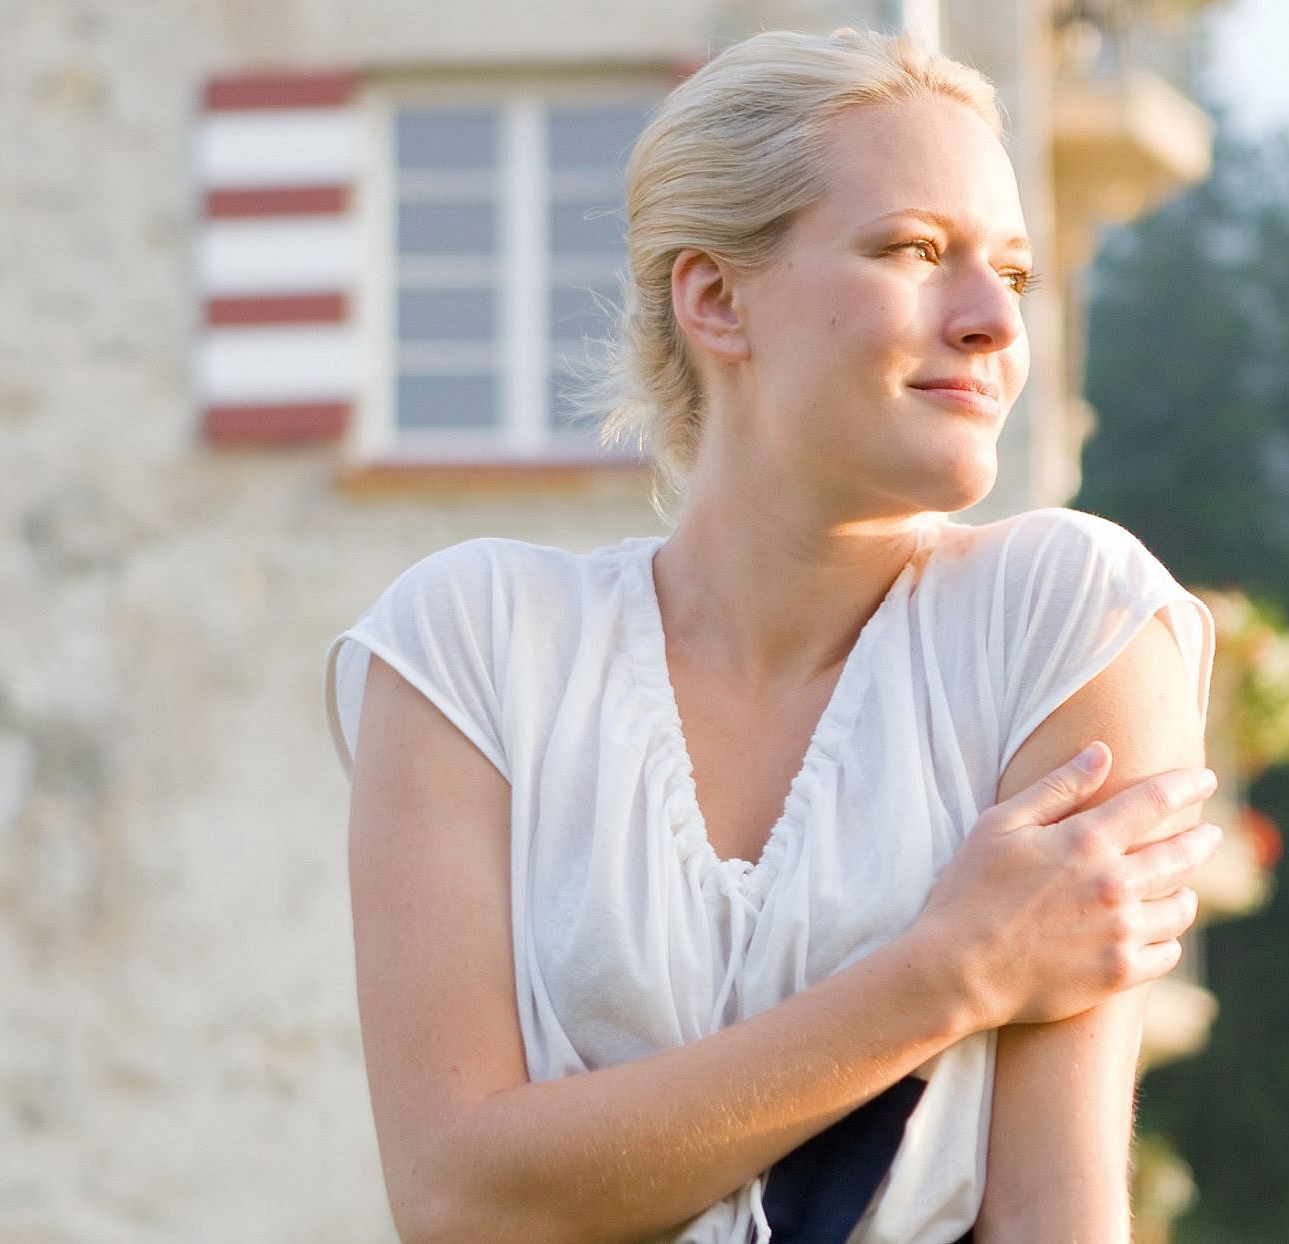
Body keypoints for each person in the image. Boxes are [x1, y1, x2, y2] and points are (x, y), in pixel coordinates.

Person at [324, 27, 1222, 1244]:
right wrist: (949, 970)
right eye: (913, 250)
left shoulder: (1068, 616)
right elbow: (460, 1197)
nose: (990, 323)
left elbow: (1052, 1207)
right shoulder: (472, 646)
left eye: (1012, 273)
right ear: (715, 297)